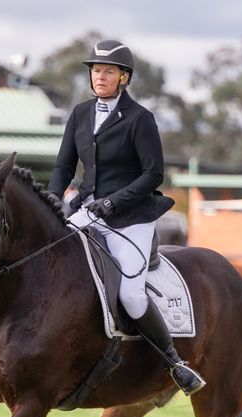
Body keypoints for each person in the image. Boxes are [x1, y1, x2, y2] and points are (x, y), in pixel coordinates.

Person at [47, 40, 205, 396]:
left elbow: (153, 175)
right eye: (95, 71)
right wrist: (53, 198)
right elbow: (63, 166)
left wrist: (115, 202)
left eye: (108, 72)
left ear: (124, 78)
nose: (99, 77)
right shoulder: (80, 114)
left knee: (132, 296)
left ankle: (174, 362)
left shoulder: (140, 119)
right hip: (88, 210)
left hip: (130, 218)